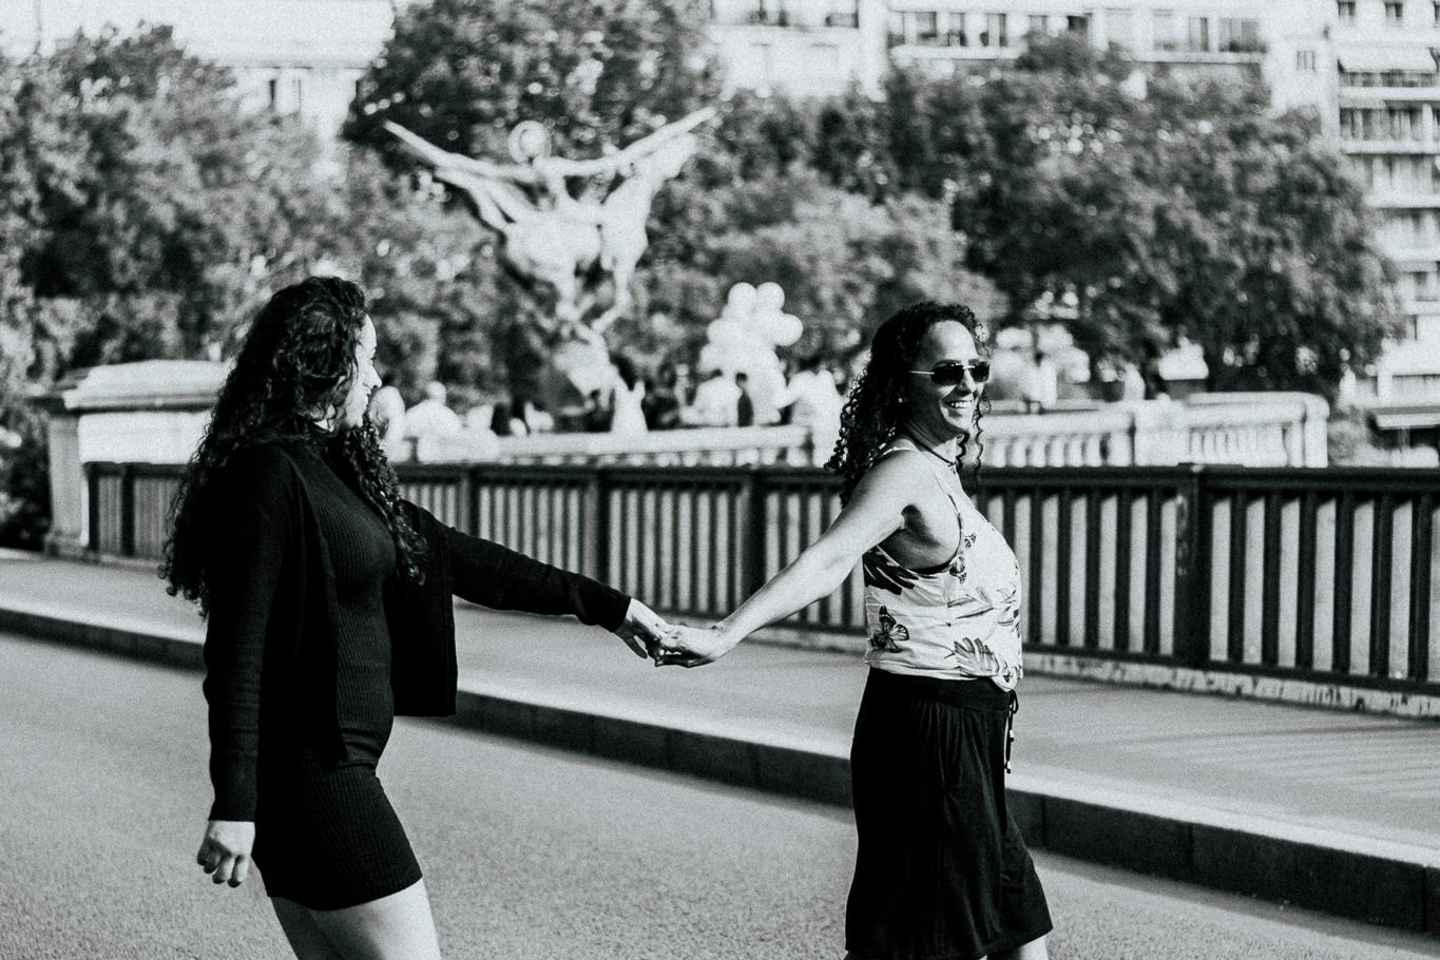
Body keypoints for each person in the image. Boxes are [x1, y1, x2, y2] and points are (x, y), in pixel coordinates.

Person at [161, 277, 672, 960]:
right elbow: (236, 651)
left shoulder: (336, 468)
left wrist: (612, 608)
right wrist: (234, 803)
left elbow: (466, 560)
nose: (376, 378)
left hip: (327, 774)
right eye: (366, 358)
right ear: (324, 362)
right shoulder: (270, 474)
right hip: (315, 777)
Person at [656, 302, 1052, 960]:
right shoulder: (903, 473)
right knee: (928, 944)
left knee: (1020, 928)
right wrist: (725, 634)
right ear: (902, 384)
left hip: (966, 731)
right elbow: (828, 559)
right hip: (929, 734)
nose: (967, 384)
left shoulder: (939, 469)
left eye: (975, 369)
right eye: (947, 371)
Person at [610, 355, 649, 435]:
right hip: (637, 417)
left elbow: (611, 404)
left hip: (621, 417)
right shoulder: (639, 383)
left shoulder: (616, 383)